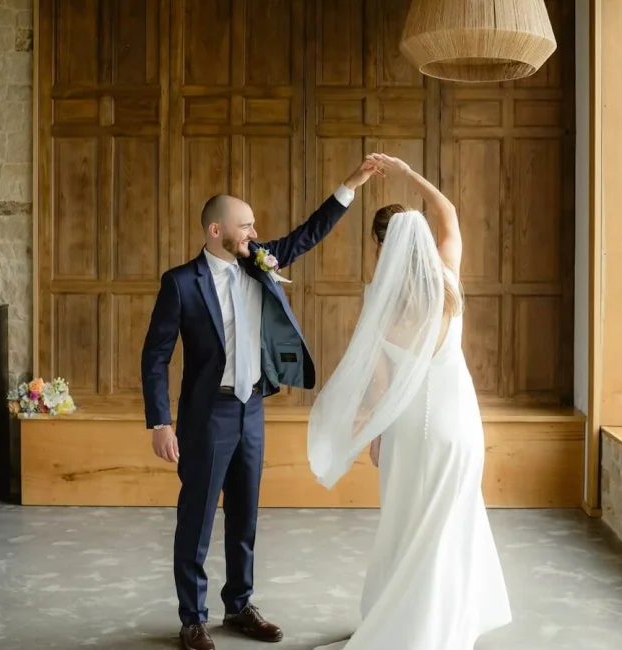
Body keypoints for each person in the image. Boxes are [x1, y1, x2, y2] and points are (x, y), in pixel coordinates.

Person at [141, 157, 383, 650]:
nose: (254, 231)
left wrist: (351, 185)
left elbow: (307, 234)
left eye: (253, 225)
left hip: (252, 410)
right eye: (245, 225)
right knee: (198, 517)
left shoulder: (259, 261)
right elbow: (155, 355)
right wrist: (159, 422)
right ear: (216, 231)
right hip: (206, 416)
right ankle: (193, 619)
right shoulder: (180, 283)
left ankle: (239, 606)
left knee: (245, 515)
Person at [307, 153, 512, 649]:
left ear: (382, 247)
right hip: (458, 427)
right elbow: (449, 216)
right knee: (451, 522)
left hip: (406, 432)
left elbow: (380, 384)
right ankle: (445, 624)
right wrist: (405, 173)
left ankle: (398, 621)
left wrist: (374, 436)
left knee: (405, 525)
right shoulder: (448, 284)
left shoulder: (382, 300)